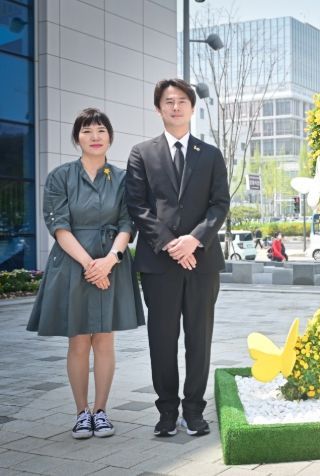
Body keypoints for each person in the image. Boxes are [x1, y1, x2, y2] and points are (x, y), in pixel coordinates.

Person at [27, 108, 145, 439]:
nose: (95, 137)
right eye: (87, 131)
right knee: (78, 339)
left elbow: (128, 223)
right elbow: (58, 225)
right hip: (71, 264)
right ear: (76, 137)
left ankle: (101, 411)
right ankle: (81, 413)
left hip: (112, 263)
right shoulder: (60, 176)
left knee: (105, 338)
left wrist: (109, 260)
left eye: (101, 130)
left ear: (110, 137)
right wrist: (89, 264)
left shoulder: (123, 178)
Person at [126, 78, 230, 437]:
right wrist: (173, 244)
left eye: (182, 101)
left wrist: (194, 240)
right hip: (159, 264)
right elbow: (137, 206)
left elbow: (220, 204)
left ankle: (194, 410)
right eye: (168, 102)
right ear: (158, 108)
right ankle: (167, 412)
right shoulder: (142, 153)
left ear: (192, 107)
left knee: (199, 339)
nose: (175, 107)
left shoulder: (210, 154)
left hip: (203, 263)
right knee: (162, 340)